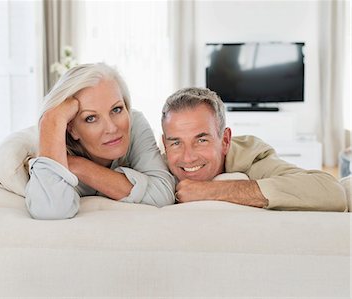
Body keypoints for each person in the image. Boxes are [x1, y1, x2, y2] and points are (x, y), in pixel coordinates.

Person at [25, 63, 175, 219]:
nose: (112, 128)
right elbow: (50, 209)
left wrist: (79, 166)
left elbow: (163, 194)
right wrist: (51, 119)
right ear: (71, 129)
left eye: (117, 109)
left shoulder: (134, 122)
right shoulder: (53, 143)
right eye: (91, 118)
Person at [161, 87, 347, 211]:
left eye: (201, 140)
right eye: (176, 142)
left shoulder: (252, 157)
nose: (188, 157)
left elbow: (332, 192)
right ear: (164, 143)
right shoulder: (156, 166)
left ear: (225, 140)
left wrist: (211, 191)